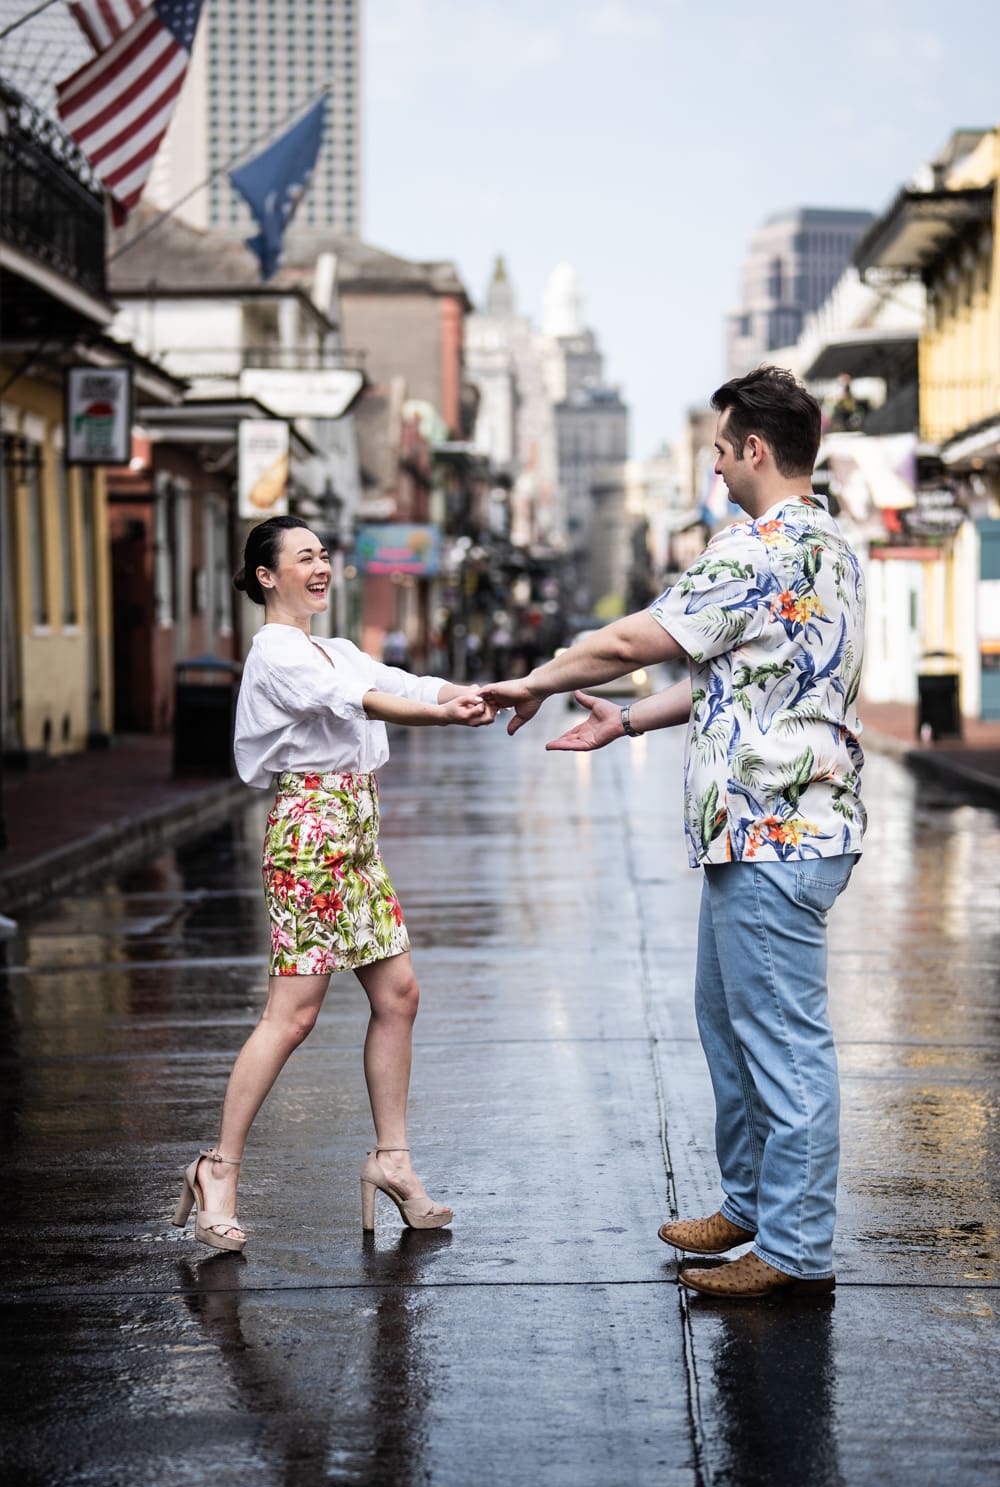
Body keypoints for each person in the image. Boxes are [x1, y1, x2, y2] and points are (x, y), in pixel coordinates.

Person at [484, 367, 866, 1298]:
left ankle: (793, 1248)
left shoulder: (756, 550)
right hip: (765, 832)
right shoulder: (830, 547)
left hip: (777, 835)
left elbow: (629, 642)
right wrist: (626, 721)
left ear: (756, 452)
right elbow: (729, 676)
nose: (715, 461)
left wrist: (534, 680)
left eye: (722, 446)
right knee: (729, 1025)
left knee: (780, 1044)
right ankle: (748, 1204)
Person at [173, 515, 495, 1252]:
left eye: (325, 555)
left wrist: (482, 692)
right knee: (293, 1015)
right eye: (304, 557)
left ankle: (392, 1161)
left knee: (399, 995)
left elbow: (400, 679)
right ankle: (216, 1170)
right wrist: (443, 717)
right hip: (310, 835)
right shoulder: (277, 653)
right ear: (265, 575)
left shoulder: (333, 647)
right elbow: (367, 702)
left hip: (353, 833)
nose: (321, 568)